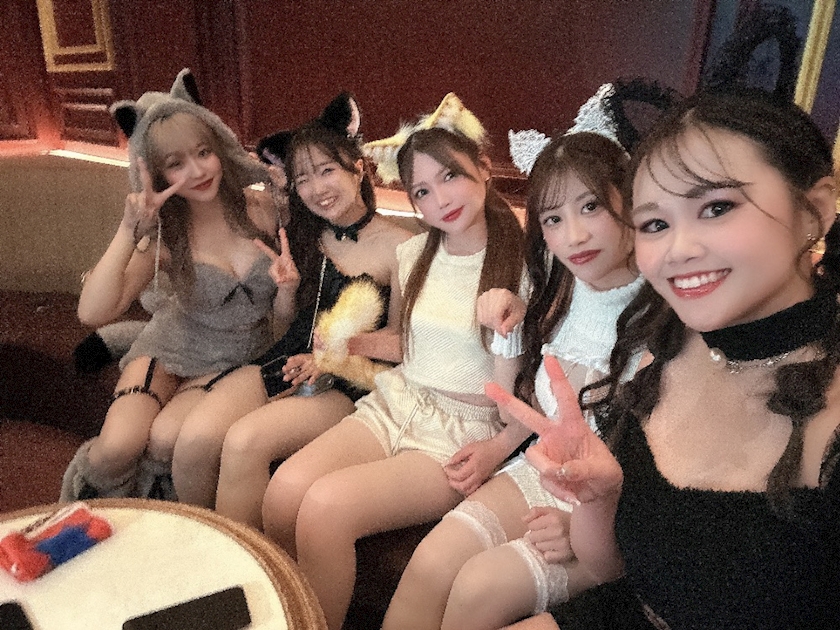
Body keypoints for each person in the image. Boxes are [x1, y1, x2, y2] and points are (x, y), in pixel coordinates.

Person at [491, 88, 840, 630]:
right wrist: (599, 496)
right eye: (655, 224)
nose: (678, 250)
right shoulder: (668, 343)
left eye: (716, 208)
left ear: (815, 209)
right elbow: (612, 570)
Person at [383, 83, 653, 630]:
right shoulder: (559, 286)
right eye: (552, 218)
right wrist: (507, 332)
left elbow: (664, 475)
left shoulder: (668, 308)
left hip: (614, 508)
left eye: (591, 206)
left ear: (630, 200)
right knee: (430, 564)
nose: (574, 235)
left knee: (476, 591)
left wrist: (588, 526)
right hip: (542, 471)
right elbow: (521, 408)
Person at [260, 95, 527, 630]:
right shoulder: (414, 254)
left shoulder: (525, 267)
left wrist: (500, 445)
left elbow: (534, 388)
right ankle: (289, 615)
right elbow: (406, 344)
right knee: (283, 491)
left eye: (450, 176)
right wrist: (344, 345)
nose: (439, 199)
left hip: (460, 431)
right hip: (398, 401)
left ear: (483, 168)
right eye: (421, 190)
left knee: (326, 507)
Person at [169, 94, 414, 524]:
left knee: (244, 441)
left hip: (348, 380)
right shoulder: (303, 234)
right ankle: (203, 545)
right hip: (286, 357)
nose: (316, 189)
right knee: (194, 442)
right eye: (302, 179)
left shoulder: (402, 247)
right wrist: (288, 290)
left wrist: (333, 355)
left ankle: (247, 557)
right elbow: (284, 327)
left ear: (358, 168)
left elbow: (401, 346)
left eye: (327, 171)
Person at [61, 69, 281, 501]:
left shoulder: (264, 209)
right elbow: (92, 311)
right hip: (169, 347)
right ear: (157, 174)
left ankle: (158, 517)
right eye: (176, 164)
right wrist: (129, 230)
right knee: (116, 448)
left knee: (166, 440)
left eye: (203, 152)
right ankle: (86, 513)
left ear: (219, 146)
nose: (197, 171)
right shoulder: (164, 234)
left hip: (234, 358)